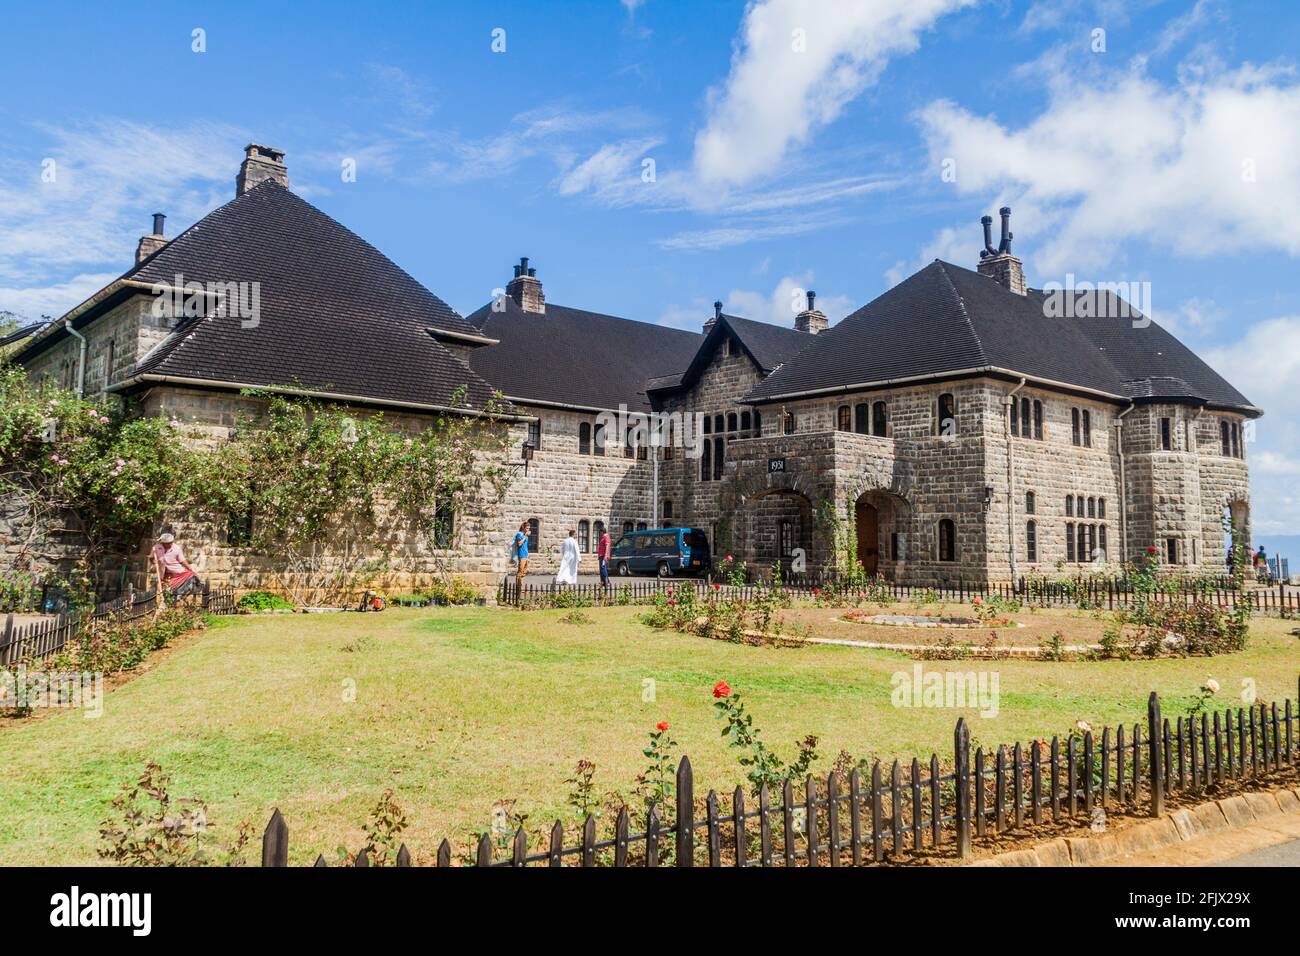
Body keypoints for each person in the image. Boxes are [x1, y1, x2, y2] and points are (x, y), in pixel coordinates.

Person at [152, 531, 200, 602]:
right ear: (163, 543)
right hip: (165, 575)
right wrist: (154, 562)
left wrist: (191, 569)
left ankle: (180, 597)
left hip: (178, 573)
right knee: (166, 591)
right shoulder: (156, 548)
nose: (171, 544)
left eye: (171, 542)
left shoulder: (176, 548)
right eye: (168, 543)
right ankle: (169, 603)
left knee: (191, 576)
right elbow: (151, 558)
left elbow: (183, 561)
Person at [514, 521, 531, 589]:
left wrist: (528, 554)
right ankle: (518, 587)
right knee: (520, 571)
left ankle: (521, 586)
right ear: (523, 527)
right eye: (527, 528)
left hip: (526, 555)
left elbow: (525, 546)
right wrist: (526, 535)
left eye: (529, 528)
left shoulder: (524, 535)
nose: (528, 530)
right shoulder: (519, 534)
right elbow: (519, 543)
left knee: (524, 571)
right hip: (521, 555)